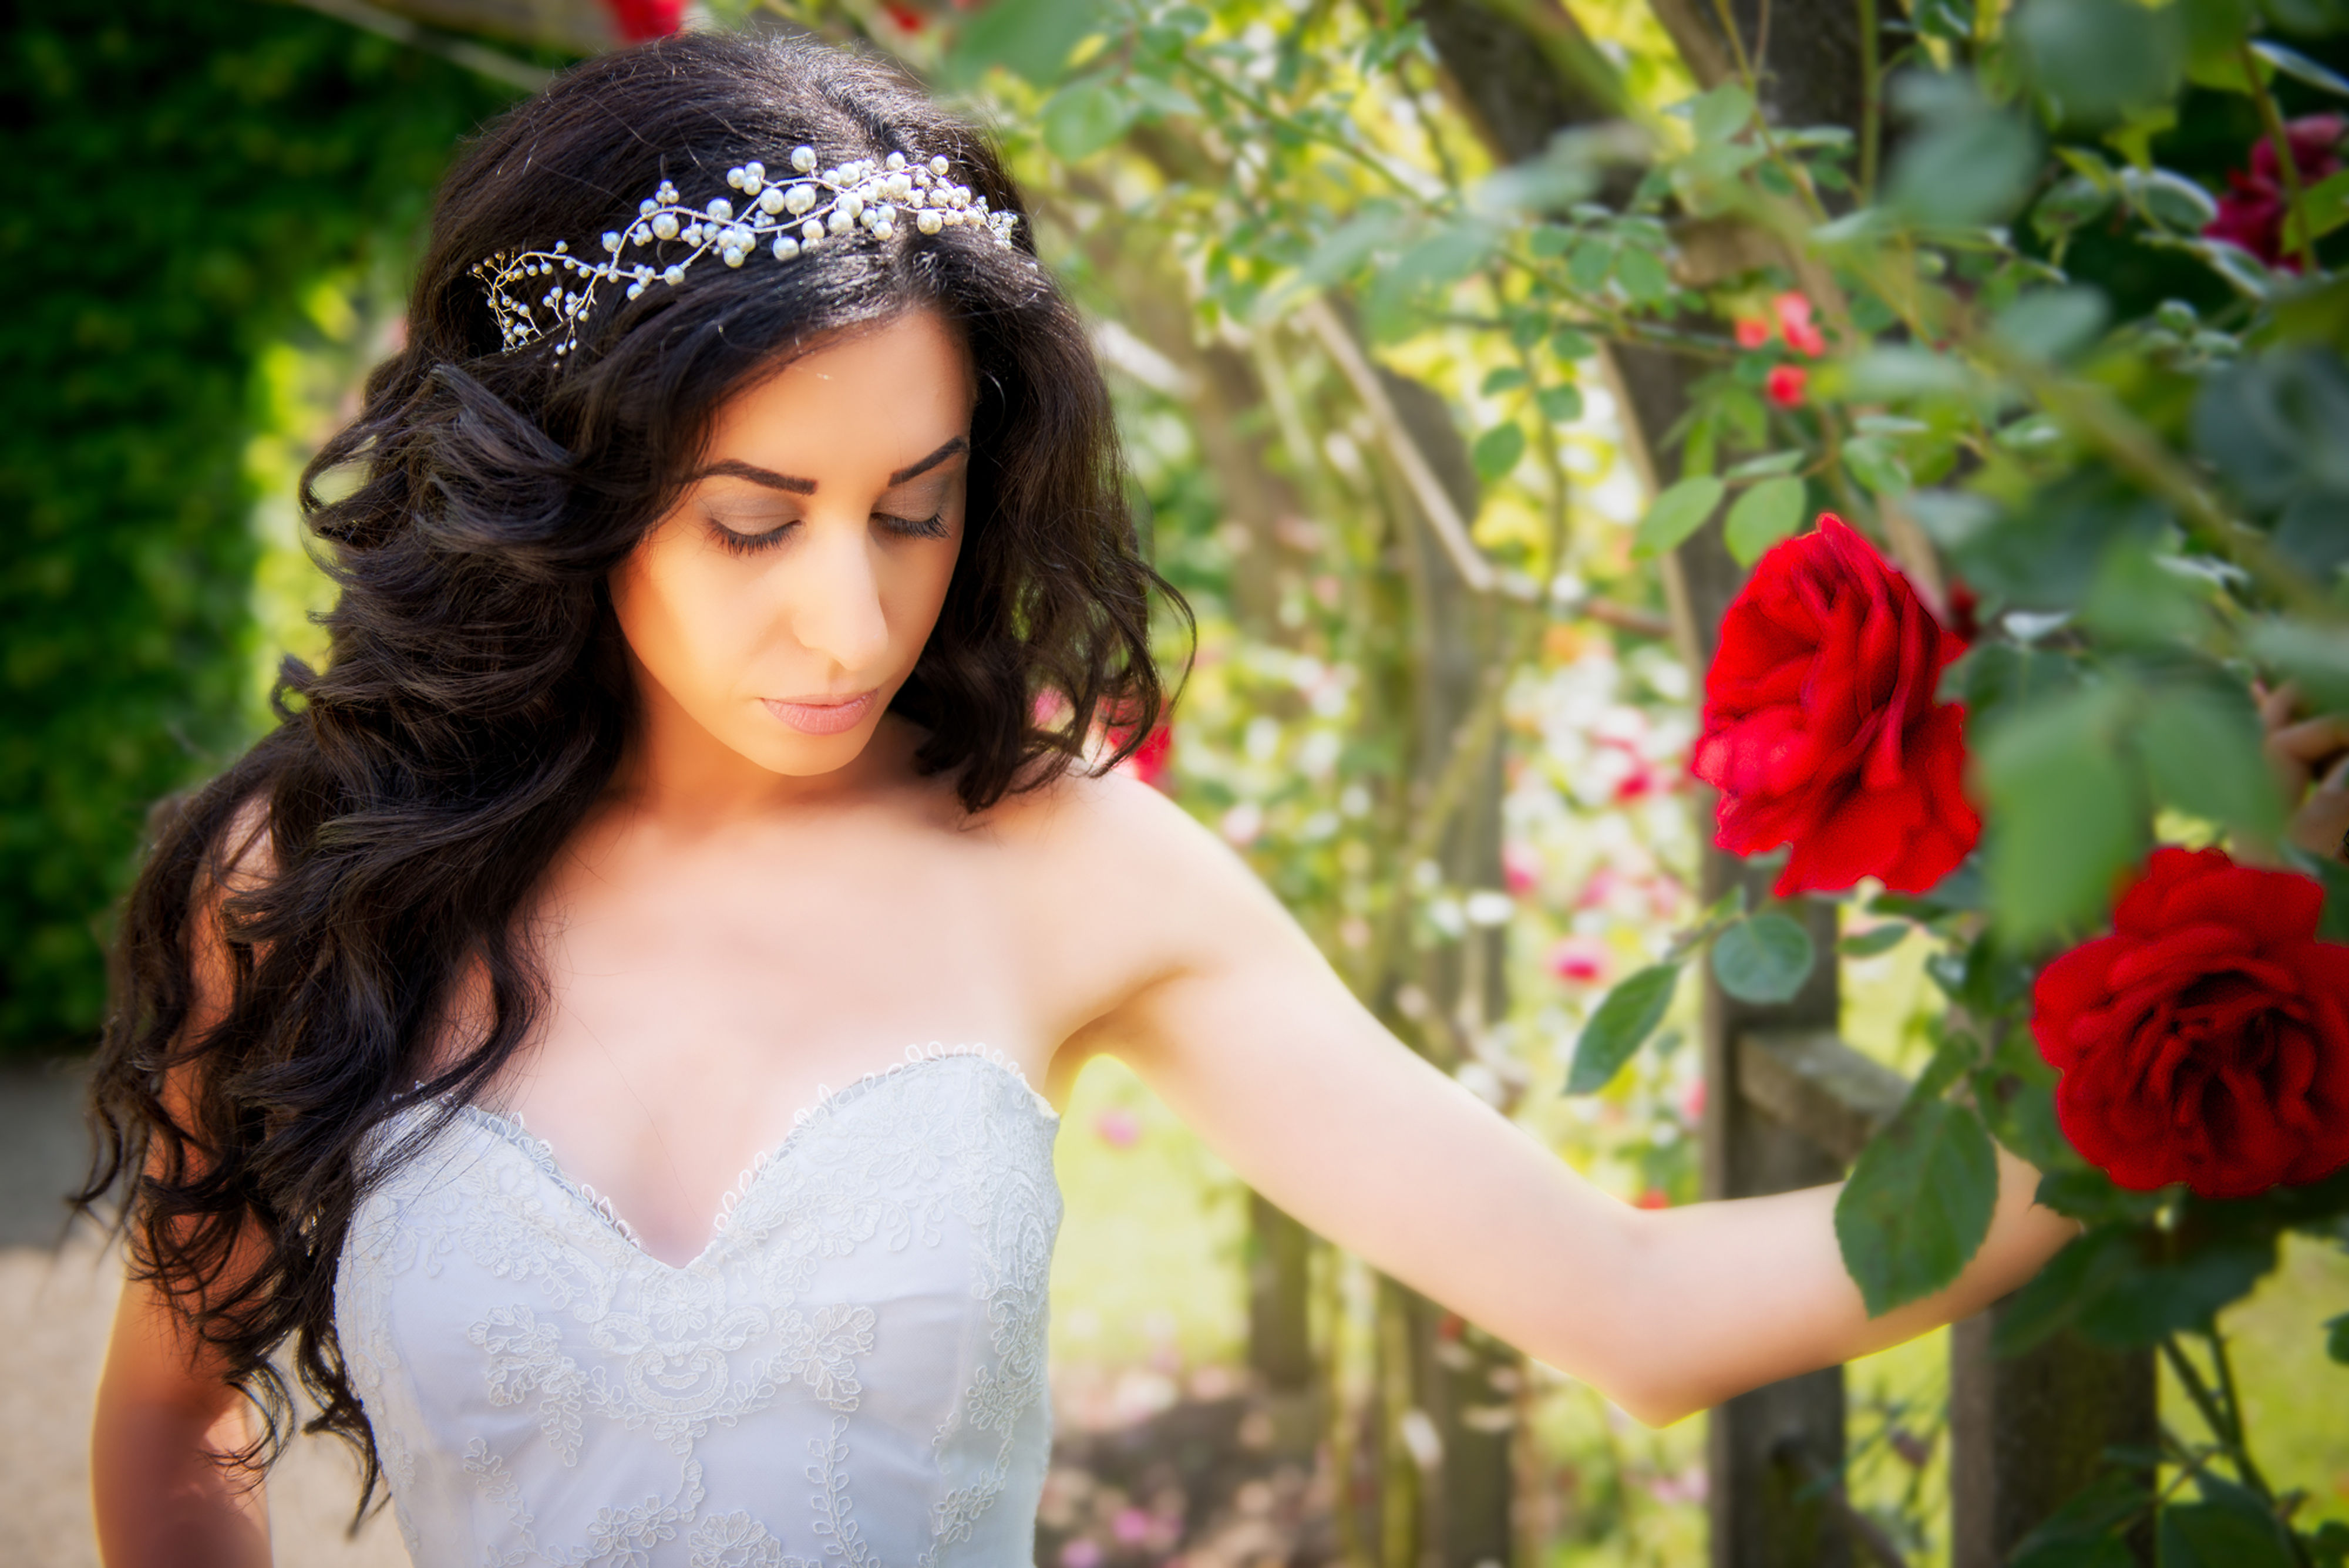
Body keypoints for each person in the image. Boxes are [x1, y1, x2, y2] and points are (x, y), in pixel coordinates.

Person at [80, 31, 2076, 1568]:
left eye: (915, 509)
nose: (848, 617)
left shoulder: (1062, 865)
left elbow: (1628, 1304)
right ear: (562, 495)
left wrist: (2111, 1104)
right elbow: (172, 1429)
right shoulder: (307, 889)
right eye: (752, 523)